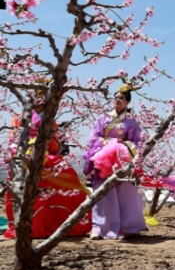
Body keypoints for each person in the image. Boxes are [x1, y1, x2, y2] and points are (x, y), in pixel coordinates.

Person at [4, 95, 91, 239]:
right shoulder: (19, 118)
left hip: (44, 156)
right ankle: (24, 225)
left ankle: (61, 221)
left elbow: (54, 145)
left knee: (65, 171)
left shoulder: (50, 120)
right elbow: (12, 140)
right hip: (23, 155)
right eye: (34, 96)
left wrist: (51, 153)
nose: (37, 100)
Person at [83, 83, 146, 240]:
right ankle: (99, 227)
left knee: (125, 192)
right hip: (103, 158)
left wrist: (124, 145)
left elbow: (137, 141)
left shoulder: (131, 121)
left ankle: (129, 227)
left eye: (121, 98)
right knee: (102, 191)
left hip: (121, 158)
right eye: (116, 97)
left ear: (127, 102)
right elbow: (93, 137)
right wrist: (102, 142)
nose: (117, 100)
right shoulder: (103, 117)